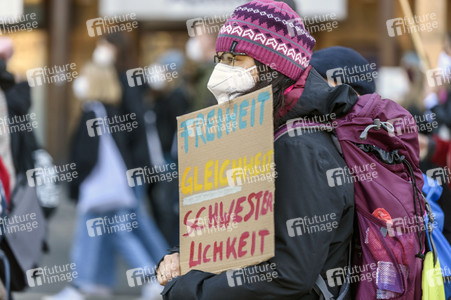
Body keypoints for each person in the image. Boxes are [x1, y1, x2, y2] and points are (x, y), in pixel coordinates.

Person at [157, 1, 356, 299]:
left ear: (273, 68)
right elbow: (234, 230)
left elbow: (289, 274)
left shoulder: (299, 146)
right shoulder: (257, 132)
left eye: (236, 58)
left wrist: (191, 290)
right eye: (221, 58)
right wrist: (182, 256)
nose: (222, 70)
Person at [46, 62, 165, 300]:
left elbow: (86, 156)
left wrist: (75, 184)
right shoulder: (111, 110)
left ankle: (81, 286)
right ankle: (147, 280)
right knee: (120, 234)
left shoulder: (91, 111)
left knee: (86, 237)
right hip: (116, 188)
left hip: (98, 190)